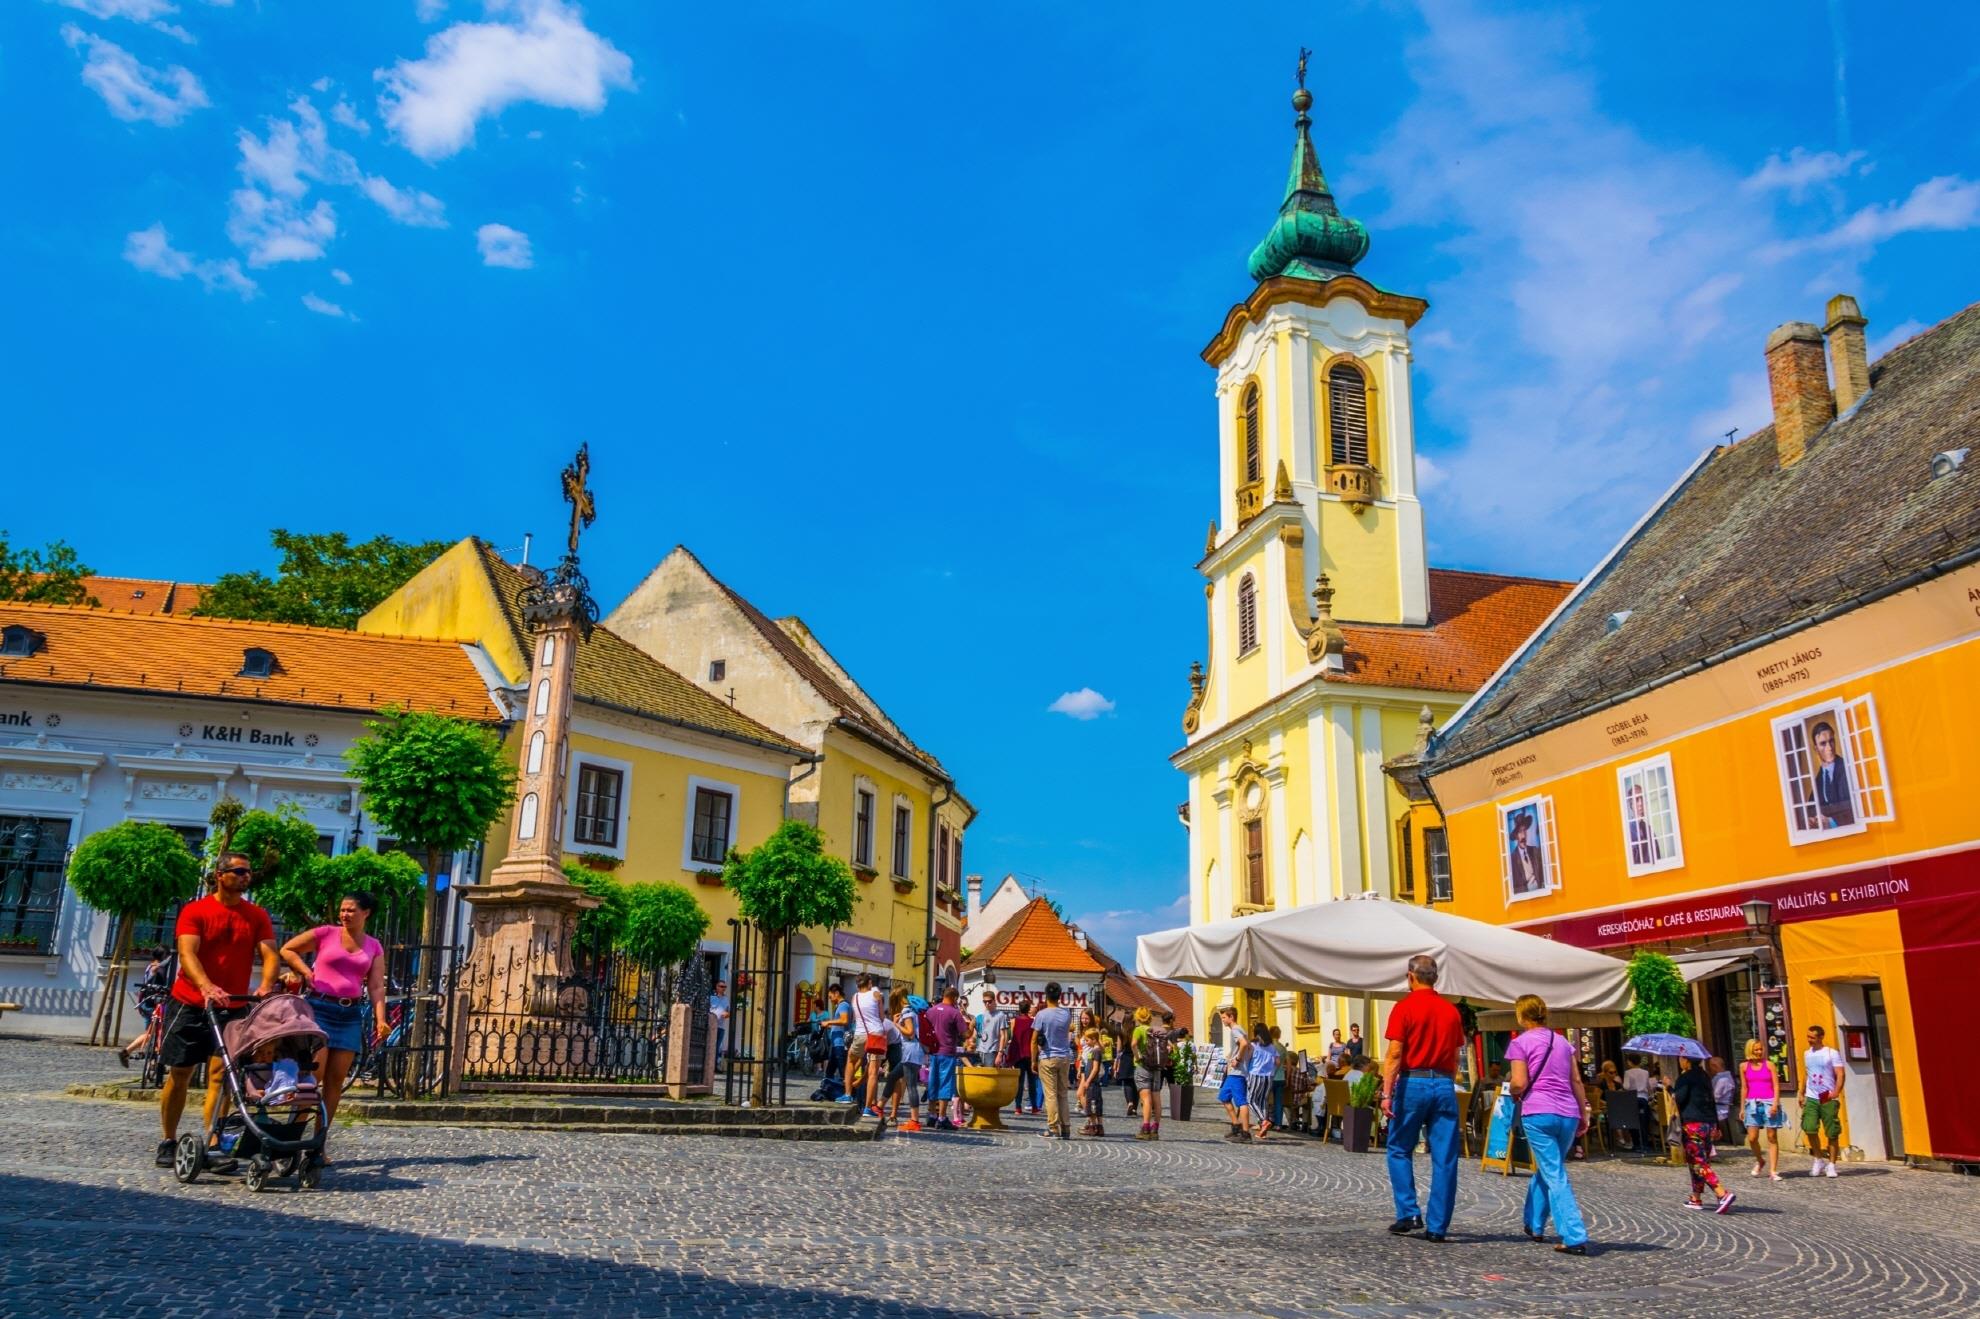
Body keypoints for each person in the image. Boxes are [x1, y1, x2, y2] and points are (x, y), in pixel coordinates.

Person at [155, 851, 277, 1170]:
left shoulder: (256, 915)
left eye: (248, 872)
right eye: (238, 871)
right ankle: (168, 1139)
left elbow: (270, 954)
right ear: (220, 875)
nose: (244, 877)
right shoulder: (196, 911)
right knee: (180, 1073)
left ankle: (213, 1143)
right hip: (190, 1003)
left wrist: (265, 984)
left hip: (233, 1005)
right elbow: (187, 953)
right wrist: (206, 986)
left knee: (221, 1076)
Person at [278, 890, 389, 1131]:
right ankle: (293, 1133)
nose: (345, 914)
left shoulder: (374, 946)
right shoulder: (326, 933)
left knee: (336, 1079)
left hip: (350, 1014)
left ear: (366, 913)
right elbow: (288, 949)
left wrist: (381, 1019)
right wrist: (305, 971)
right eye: (342, 910)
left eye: (351, 910)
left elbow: (376, 985)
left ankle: (319, 1140)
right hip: (320, 1008)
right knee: (313, 1076)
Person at [1381, 954, 1464, 1242]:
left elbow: (1394, 1054)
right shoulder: (1452, 1012)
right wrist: (1444, 1082)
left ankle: (1409, 1212)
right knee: (1445, 1157)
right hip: (1443, 1083)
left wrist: (1386, 1093)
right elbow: (1455, 1057)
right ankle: (1438, 1227)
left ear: (1411, 977)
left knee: (1399, 1148)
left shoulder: (1404, 1008)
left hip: (1413, 1082)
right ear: (1435, 978)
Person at [1505, 995, 1591, 1255]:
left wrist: (1511, 1089)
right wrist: (1584, 1111)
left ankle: (1573, 1235)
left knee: (1554, 1173)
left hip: (1539, 1112)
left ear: (1521, 1016)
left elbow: (1519, 1082)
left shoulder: (1520, 1043)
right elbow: (1576, 1080)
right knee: (1549, 1167)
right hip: (1567, 1113)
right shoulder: (1563, 1042)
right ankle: (1534, 1223)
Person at [1675, 1053, 1735, 1212]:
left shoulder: (1685, 1078)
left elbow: (1679, 1099)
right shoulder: (1705, 1076)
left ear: (1686, 1060)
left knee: (1698, 1162)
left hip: (1693, 1124)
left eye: (1680, 1058)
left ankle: (1722, 1193)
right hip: (1708, 1123)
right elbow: (1711, 1101)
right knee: (1697, 1162)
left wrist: (1669, 1086)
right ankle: (1696, 1198)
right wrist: (1716, 1125)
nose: (1680, 1061)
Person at [1032, 982, 1075, 1140]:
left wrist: (1033, 1060)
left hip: (1048, 1057)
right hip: (1064, 1057)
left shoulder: (1041, 1015)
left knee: (1050, 1095)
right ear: (1060, 996)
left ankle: (1053, 1128)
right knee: (1062, 1094)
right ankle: (1066, 1128)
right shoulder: (1066, 1014)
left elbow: (1034, 1039)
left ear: (1046, 995)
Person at [1802, 1024, 1846, 1177]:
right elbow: (1806, 1074)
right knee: (1809, 1127)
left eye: (1812, 1038)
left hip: (1827, 1095)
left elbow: (1840, 1074)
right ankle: (1818, 1158)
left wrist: (1836, 1092)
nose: (1809, 1040)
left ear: (1821, 1037)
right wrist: (1801, 1093)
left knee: (1832, 1132)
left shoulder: (1831, 1053)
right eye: (1808, 1037)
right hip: (1812, 1096)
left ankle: (1832, 1164)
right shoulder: (1807, 1054)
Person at [1738, 1038, 1785, 1181]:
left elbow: (1776, 1086)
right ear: (1750, 1051)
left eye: (1760, 1049)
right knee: (1752, 1138)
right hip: (1752, 1103)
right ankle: (1760, 1160)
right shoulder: (1744, 1066)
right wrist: (1742, 1108)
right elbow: (1744, 1087)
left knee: (1772, 1137)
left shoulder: (1769, 1065)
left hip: (1769, 1102)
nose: (1759, 1052)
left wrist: (1775, 1103)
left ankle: (1773, 1170)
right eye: (1756, 1050)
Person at [922, 985, 967, 1131]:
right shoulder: (954, 1013)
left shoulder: (931, 1011)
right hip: (947, 1052)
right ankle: (942, 1117)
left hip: (933, 1052)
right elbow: (965, 1034)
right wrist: (971, 1027)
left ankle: (931, 1115)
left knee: (932, 1083)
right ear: (954, 998)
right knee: (945, 1085)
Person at [118, 947, 173, 1068]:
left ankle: (126, 1052)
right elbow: (156, 971)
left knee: (149, 1033)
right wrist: (172, 958)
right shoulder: (156, 967)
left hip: (147, 1003)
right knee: (160, 1033)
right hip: (154, 1004)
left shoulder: (150, 966)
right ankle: (154, 1062)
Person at [848, 974, 890, 1117]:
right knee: (873, 1073)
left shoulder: (855, 997)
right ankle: (868, 1108)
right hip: (876, 1035)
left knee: (851, 1060)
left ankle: (847, 1093)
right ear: (870, 983)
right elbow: (882, 1017)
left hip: (860, 1033)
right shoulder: (876, 993)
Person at [884, 988, 924, 1132]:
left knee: (911, 1086)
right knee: (893, 1076)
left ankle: (914, 1121)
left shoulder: (907, 1011)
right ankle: (879, 1106)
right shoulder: (914, 1010)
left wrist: (895, 1024)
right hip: (913, 1052)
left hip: (911, 1052)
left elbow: (910, 1033)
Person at [1215, 1005, 1252, 1141]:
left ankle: (1246, 1133)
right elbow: (1250, 1047)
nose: (1223, 1020)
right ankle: (1236, 1125)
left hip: (1238, 1073)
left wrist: (1238, 1059)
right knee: (1224, 1096)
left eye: (1224, 1017)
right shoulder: (1239, 1029)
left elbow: (1243, 1044)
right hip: (1234, 1072)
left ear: (1231, 1017)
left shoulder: (1236, 1030)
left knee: (1241, 1102)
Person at [1811, 721, 1855, 829]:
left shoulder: (1847, 768)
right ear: (1816, 749)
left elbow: (1855, 807)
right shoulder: (1819, 778)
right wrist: (1812, 819)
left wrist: (1832, 822)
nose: (1829, 748)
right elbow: (1812, 806)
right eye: (1823, 743)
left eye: (1831, 741)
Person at [1130, 1006, 1166, 1140]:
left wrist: (1137, 1055)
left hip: (1143, 1066)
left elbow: (1133, 1044)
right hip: (1156, 1067)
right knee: (1157, 1098)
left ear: (1138, 1017)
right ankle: (1155, 1129)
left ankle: (1145, 1128)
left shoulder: (1138, 1030)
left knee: (1146, 1099)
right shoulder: (1155, 1031)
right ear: (1149, 1017)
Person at [1245, 1019, 1278, 1142]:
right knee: (1263, 1101)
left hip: (1256, 1074)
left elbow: (1248, 1059)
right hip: (1268, 1076)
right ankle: (1263, 1131)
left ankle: (1263, 1121)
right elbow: (1278, 1062)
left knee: (1250, 1100)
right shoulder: (1272, 1047)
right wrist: (1272, 1070)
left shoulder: (1254, 1045)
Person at [821, 985, 851, 1097]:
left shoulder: (843, 1005)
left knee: (843, 1072)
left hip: (840, 1044)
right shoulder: (840, 1006)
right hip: (835, 1044)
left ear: (836, 993)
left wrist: (829, 1022)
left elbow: (844, 1020)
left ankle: (848, 1094)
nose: (830, 999)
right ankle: (828, 1092)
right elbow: (840, 1024)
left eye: (830, 996)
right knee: (829, 1071)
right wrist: (828, 1025)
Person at [1008, 996, 1037, 1114]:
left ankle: (1018, 1107)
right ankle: (1034, 1106)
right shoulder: (1033, 1022)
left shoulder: (1014, 1021)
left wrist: (1011, 1057)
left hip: (1019, 1054)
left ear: (1019, 1009)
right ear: (1029, 1008)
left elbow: (1013, 1039)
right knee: (1032, 1082)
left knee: (1019, 1083)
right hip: (1030, 1054)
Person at [1507, 811, 1546, 895]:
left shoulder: (1535, 851)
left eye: (1525, 830)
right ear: (1516, 836)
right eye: (1520, 832)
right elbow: (1513, 889)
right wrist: (1527, 889)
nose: (1523, 836)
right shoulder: (1512, 860)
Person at [1077, 1027, 1106, 1137]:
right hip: (1092, 1083)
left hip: (1093, 1083)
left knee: (1092, 1105)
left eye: (1087, 1040)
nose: (1086, 1042)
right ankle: (1099, 1127)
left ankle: (1094, 1127)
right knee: (1095, 1105)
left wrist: (1088, 1081)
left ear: (1094, 1039)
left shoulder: (1096, 1051)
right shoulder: (1094, 1050)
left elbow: (1095, 1068)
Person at [975, 991, 1010, 1067]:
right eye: (985, 1002)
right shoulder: (984, 1014)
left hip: (992, 1051)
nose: (987, 1004)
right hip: (981, 1050)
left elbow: (1003, 1036)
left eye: (989, 1001)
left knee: (990, 1075)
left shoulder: (1000, 1015)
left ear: (994, 1001)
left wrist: (1000, 1053)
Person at [1707, 1055, 1736, 1143]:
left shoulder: (1723, 1079)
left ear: (1715, 1066)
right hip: (1719, 1106)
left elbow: (1716, 1096)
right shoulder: (1723, 1077)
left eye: (1711, 1066)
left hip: (1720, 1109)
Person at [709, 979, 731, 1067]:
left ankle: (715, 1065)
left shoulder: (726, 999)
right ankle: (709, 1065)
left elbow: (728, 1012)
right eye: (721, 986)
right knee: (710, 1046)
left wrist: (727, 1014)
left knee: (717, 1047)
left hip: (721, 1027)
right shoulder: (711, 998)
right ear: (717, 987)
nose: (723, 988)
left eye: (725, 987)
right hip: (711, 1026)